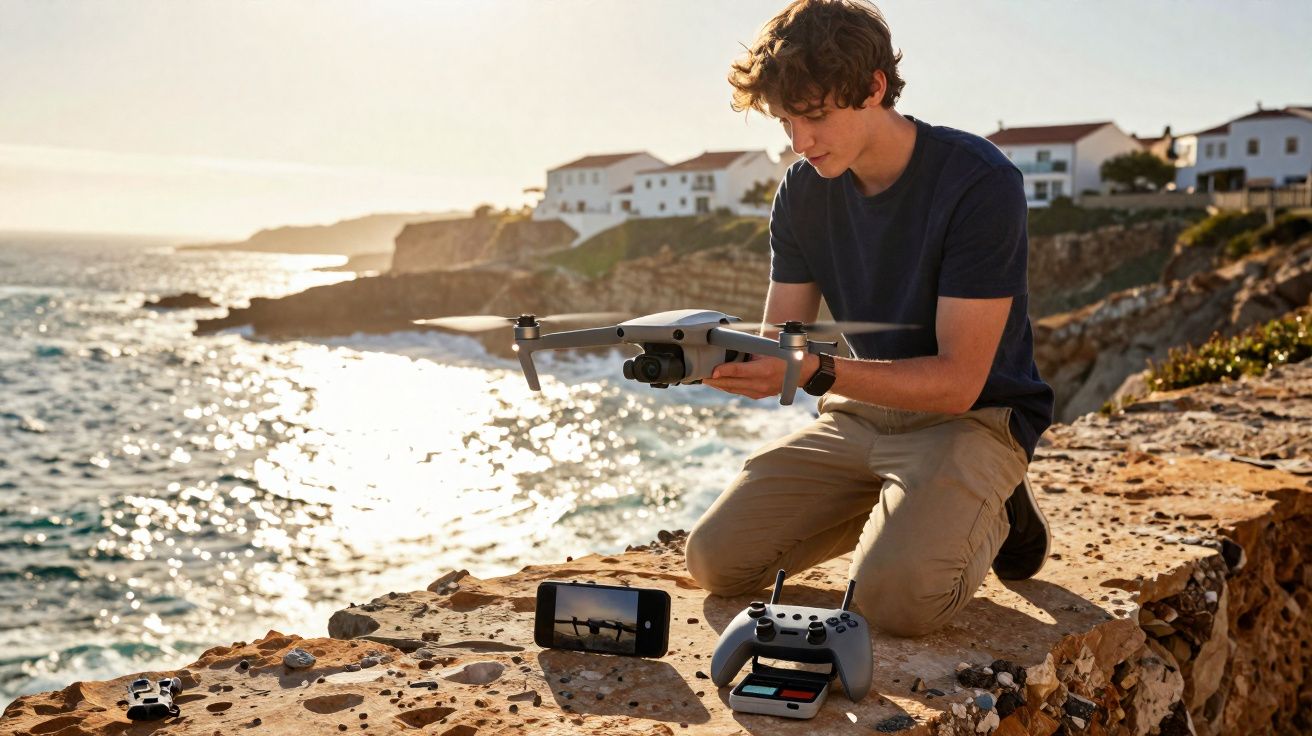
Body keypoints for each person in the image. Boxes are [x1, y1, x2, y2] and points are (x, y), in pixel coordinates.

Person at [685, 0, 1056, 637]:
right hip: (863, 414)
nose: (800, 142)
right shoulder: (802, 190)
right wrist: (710, 350)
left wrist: (814, 371)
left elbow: (958, 382)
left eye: (815, 116)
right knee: (715, 561)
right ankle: (914, 504)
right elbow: (783, 338)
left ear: (874, 88)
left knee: (895, 603)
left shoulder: (979, 180)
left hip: (973, 417)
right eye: (786, 121)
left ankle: (994, 502)